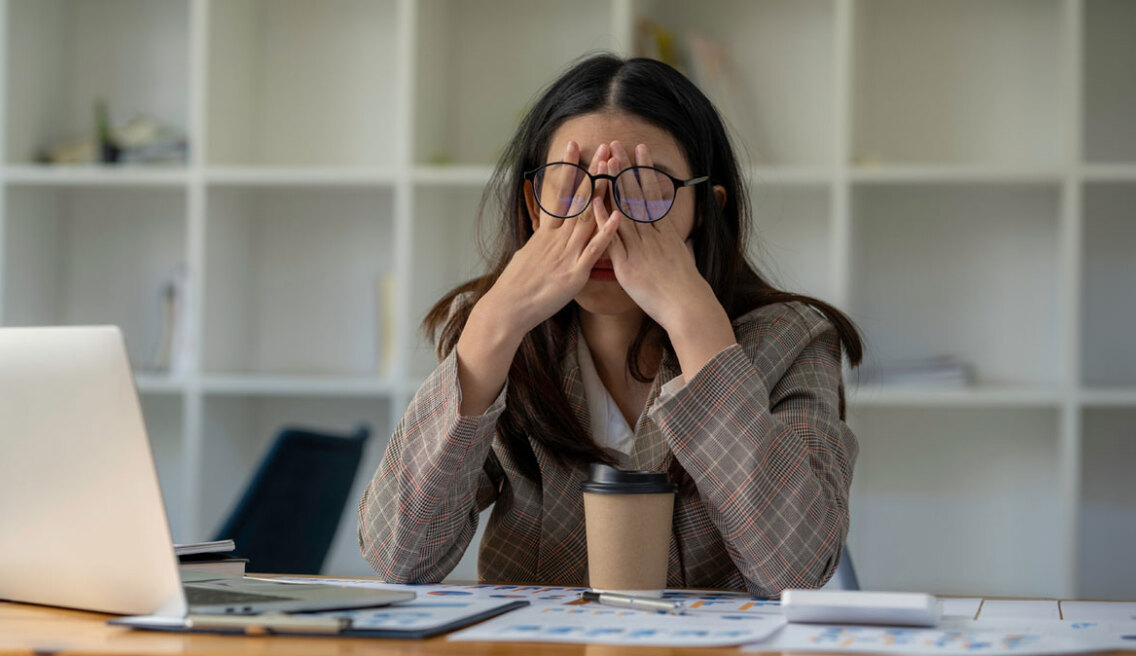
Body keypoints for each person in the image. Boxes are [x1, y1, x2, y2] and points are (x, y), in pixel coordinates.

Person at [358, 53, 863, 597]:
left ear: (705, 210)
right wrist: (493, 326)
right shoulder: (497, 337)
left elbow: (796, 570)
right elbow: (398, 557)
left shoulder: (793, 340)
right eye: (571, 185)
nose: (603, 219)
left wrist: (698, 328)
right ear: (533, 205)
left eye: (643, 187)